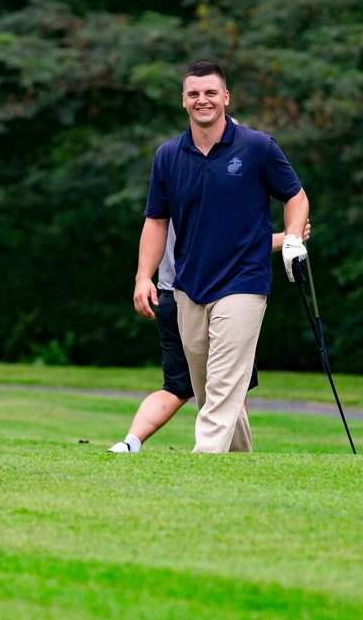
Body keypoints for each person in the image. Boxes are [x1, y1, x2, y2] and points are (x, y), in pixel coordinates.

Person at [132, 61, 309, 453]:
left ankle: (204, 463)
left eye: (211, 92)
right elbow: (156, 221)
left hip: (244, 284)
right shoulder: (168, 155)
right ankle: (237, 467)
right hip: (189, 288)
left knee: (224, 382)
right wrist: (144, 276)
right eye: (194, 93)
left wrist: (293, 238)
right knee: (212, 390)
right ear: (183, 100)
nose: (203, 100)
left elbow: (295, 196)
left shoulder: (257, 146)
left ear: (225, 97)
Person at [109, 220, 309, 453]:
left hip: (168, 297)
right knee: (231, 383)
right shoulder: (206, 196)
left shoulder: (173, 195)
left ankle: (129, 443)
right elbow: (230, 247)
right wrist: (288, 237)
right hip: (210, 297)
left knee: (174, 388)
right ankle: (232, 454)